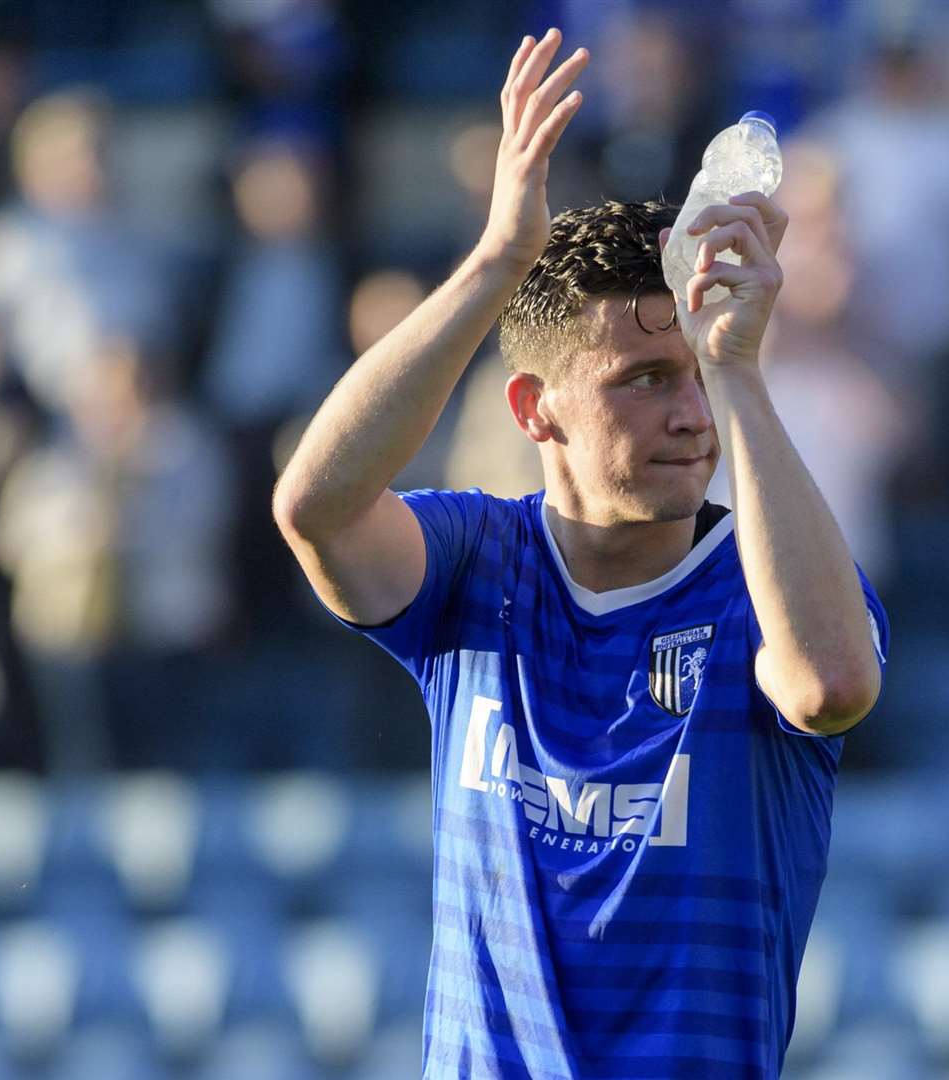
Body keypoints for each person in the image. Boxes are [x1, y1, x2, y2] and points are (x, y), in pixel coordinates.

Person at [272, 28, 888, 1079]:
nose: (686, 413)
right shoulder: (476, 561)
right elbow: (316, 509)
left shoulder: (766, 588)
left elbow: (830, 687)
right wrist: (496, 263)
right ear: (535, 410)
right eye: (644, 378)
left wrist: (736, 367)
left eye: (692, 371)